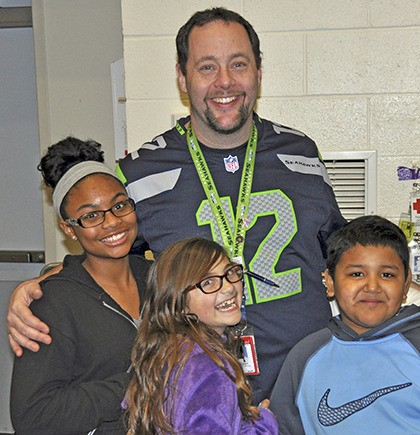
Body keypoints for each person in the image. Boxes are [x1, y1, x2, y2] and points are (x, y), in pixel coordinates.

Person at [7, 7, 346, 403]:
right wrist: (44, 283)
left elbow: (339, 247)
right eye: (206, 67)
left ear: (258, 72)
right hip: (197, 392)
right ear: (182, 78)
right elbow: (107, 258)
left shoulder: (301, 152)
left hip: (308, 383)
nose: (225, 81)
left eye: (238, 64)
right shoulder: (140, 171)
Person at [10, 137, 151, 434]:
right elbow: (34, 416)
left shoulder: (158, 278)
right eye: (90, 216)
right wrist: (133, 386)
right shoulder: (53, 303)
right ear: (68, 229)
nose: (112, 222)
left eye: (119, 206)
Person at [269, 215, 420, 434]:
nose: (372, 286)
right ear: (330, 282)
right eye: (357, 274)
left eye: (387, 274)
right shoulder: (304, 357)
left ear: (406, 286)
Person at [125, 236, 278, 434]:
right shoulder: (208, 367)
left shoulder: (168, 352)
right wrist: (262, 422)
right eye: (208, 282)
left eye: (230, 272)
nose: (230, 287)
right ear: (177, 303)